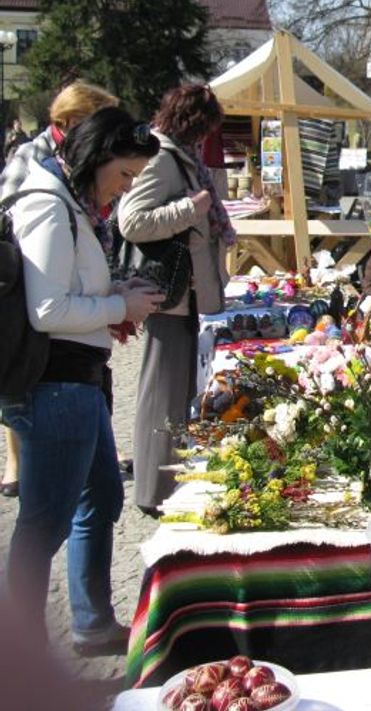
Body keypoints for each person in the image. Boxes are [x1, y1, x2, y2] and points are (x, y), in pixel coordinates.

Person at [2, 106, 164, 651]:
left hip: (78, 382)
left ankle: (92, 624)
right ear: (97, 158)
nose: (124, 190)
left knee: (99, 496)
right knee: (44, 522)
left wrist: (112, 308)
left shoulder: (68, 202)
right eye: (124, 176)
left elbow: (67, 295)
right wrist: (118, 303)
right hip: (55, 388)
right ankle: (20, 657)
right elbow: (47, 310)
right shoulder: (49, 206)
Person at [0, 81, 120, 500]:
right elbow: (21, 225)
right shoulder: (36, 161)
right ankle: (15, 460)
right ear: (71, 123)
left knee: (96, 497)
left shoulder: (79, 165)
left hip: (73, 320)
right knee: (47, 509)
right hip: (35, 304)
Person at [118, 85, 233, 515]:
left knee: (174, 394)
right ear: (193, 124)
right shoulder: (163, 158)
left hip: (183, 294)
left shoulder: (178, 156)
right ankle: (152, 491)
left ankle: (167, 482)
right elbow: (132, 221)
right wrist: (191, 207)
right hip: (169, 294)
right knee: (159, 395)